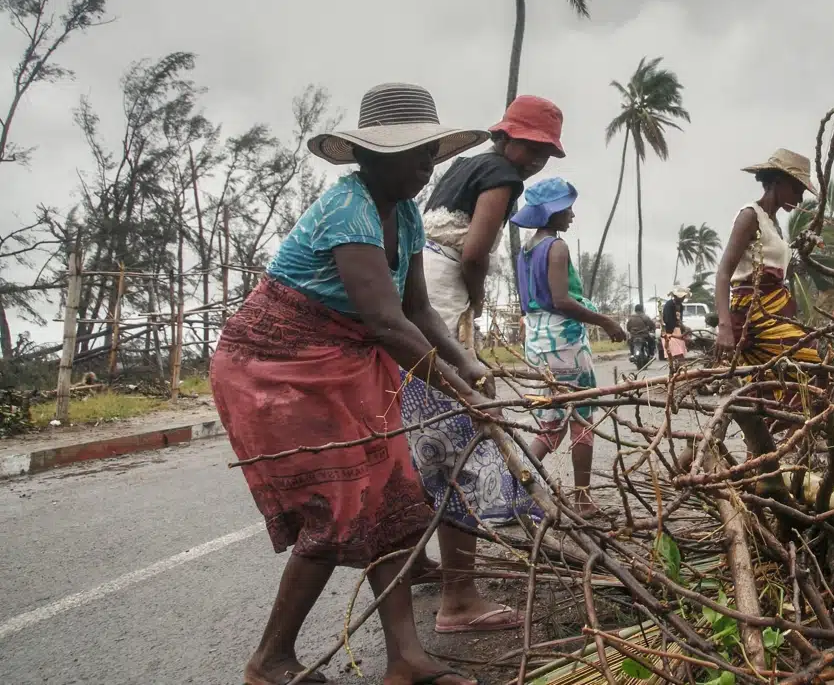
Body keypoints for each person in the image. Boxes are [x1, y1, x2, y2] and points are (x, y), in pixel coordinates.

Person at [211, 83, 490, 685]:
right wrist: (458, 393)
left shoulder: (409, 214)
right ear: (372, 158)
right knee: (337, 505)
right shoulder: (349, 209)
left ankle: (406, 658)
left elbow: (418, 309)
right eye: (415, 152)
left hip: (345, 359)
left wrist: (467, 364)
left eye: (431, 151)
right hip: (277, 363)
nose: (428, 163)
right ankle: (270, 659)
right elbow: (385, 322)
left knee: (389, 496)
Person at [399, 95, 562, 634]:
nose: (536, 160)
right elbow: (473, 253)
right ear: (508, 137)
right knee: (459, 443)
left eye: (545, 152)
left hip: (415, 294)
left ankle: (421, 563)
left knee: (420, 440)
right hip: (440, 299)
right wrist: (479, 300)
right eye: (533, 147)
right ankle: (458, 599)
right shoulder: (502, 175)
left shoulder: (462, 166)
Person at [512, 178, 627, 516]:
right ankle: (582, 498)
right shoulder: (557, 247)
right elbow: (561, 300)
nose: (572, 214)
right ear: (552, 212)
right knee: (582, 418)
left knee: (550, 421)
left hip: (538, 340)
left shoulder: (527, 250)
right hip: (565, 341)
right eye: (567, 208)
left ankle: (517, 491)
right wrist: (605, 321)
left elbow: (528, 303)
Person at [713, 149, 825, 457]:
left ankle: (767, 459)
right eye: (798, 189)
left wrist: (801, 248)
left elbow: (774, 268)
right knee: (810, 367)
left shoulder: (774, 224)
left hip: (775, 312)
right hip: (755, 316)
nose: (801, 199)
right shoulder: (750, 216)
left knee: (770, 388)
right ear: (777, 182)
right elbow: (723, 274)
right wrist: (724, 326)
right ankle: (782, 453)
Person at [660, 287, 689, 367]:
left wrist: (684, 329)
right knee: (677, 355)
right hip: (669, 333)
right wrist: (669, 335)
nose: (681, 299)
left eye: (683, 297)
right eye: (679, 297)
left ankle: (679, 372)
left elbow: (679, 321)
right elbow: (668, 320)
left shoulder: (681, 306)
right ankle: (677, 372)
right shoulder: (669, 305)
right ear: (675, 296)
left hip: (678, 332)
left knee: (680, 355)